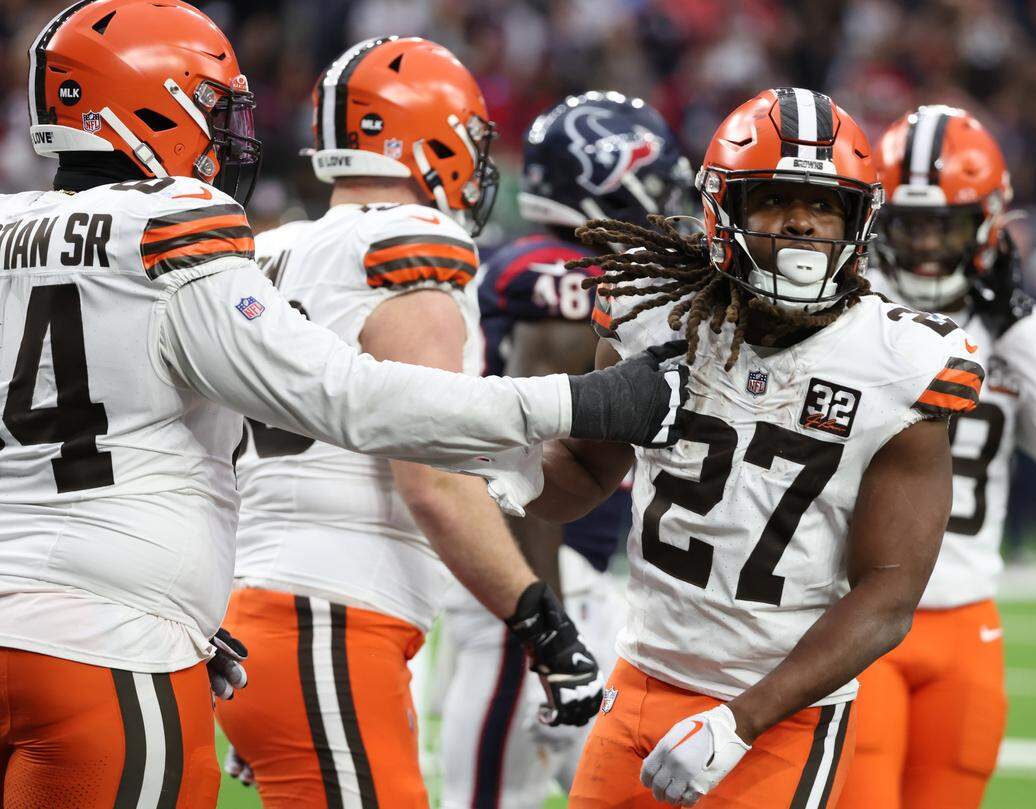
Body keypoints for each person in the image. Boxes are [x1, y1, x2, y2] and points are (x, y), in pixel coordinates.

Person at [0, 4, 688, 807]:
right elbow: (360, 404)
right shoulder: (183, 230)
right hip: (175, 630)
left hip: (163, 605)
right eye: (215, 107)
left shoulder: (34, 228)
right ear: (154, 102)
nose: (227, 134)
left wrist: (196, 604)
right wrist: (585, 400)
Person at [525, 86, 981, 808]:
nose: (802, 221)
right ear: (723, 209)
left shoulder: (900, 363)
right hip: (638, 678)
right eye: (773, 197)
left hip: (779, 716)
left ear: (858, 221)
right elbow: (583, 470)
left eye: (826, 203)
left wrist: (741, 721)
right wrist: (494, 467)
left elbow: (889, 595)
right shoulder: (654, 312)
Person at [214, 38, 619, 809]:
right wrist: (542, 622)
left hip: (265, 611)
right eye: (467, 136)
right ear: (425, 137)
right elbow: (432, 474)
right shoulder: (404, 243)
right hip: (328, 616)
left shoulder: (266, 251)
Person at [835, 105, 1036, 809]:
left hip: (967, 621)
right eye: (912, 223)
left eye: (948, 224)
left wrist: (1016, 323)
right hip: (854, 614)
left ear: (988, 222)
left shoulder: (1020, 327)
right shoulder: (848, 314)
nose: (929, 245)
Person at [440, 90, 694, 809]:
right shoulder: (559, 278)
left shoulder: (539, 265)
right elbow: (534, 447)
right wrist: (543, 621)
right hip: (534, 582)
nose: (672, 198)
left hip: (550, 580)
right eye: (662, 177)